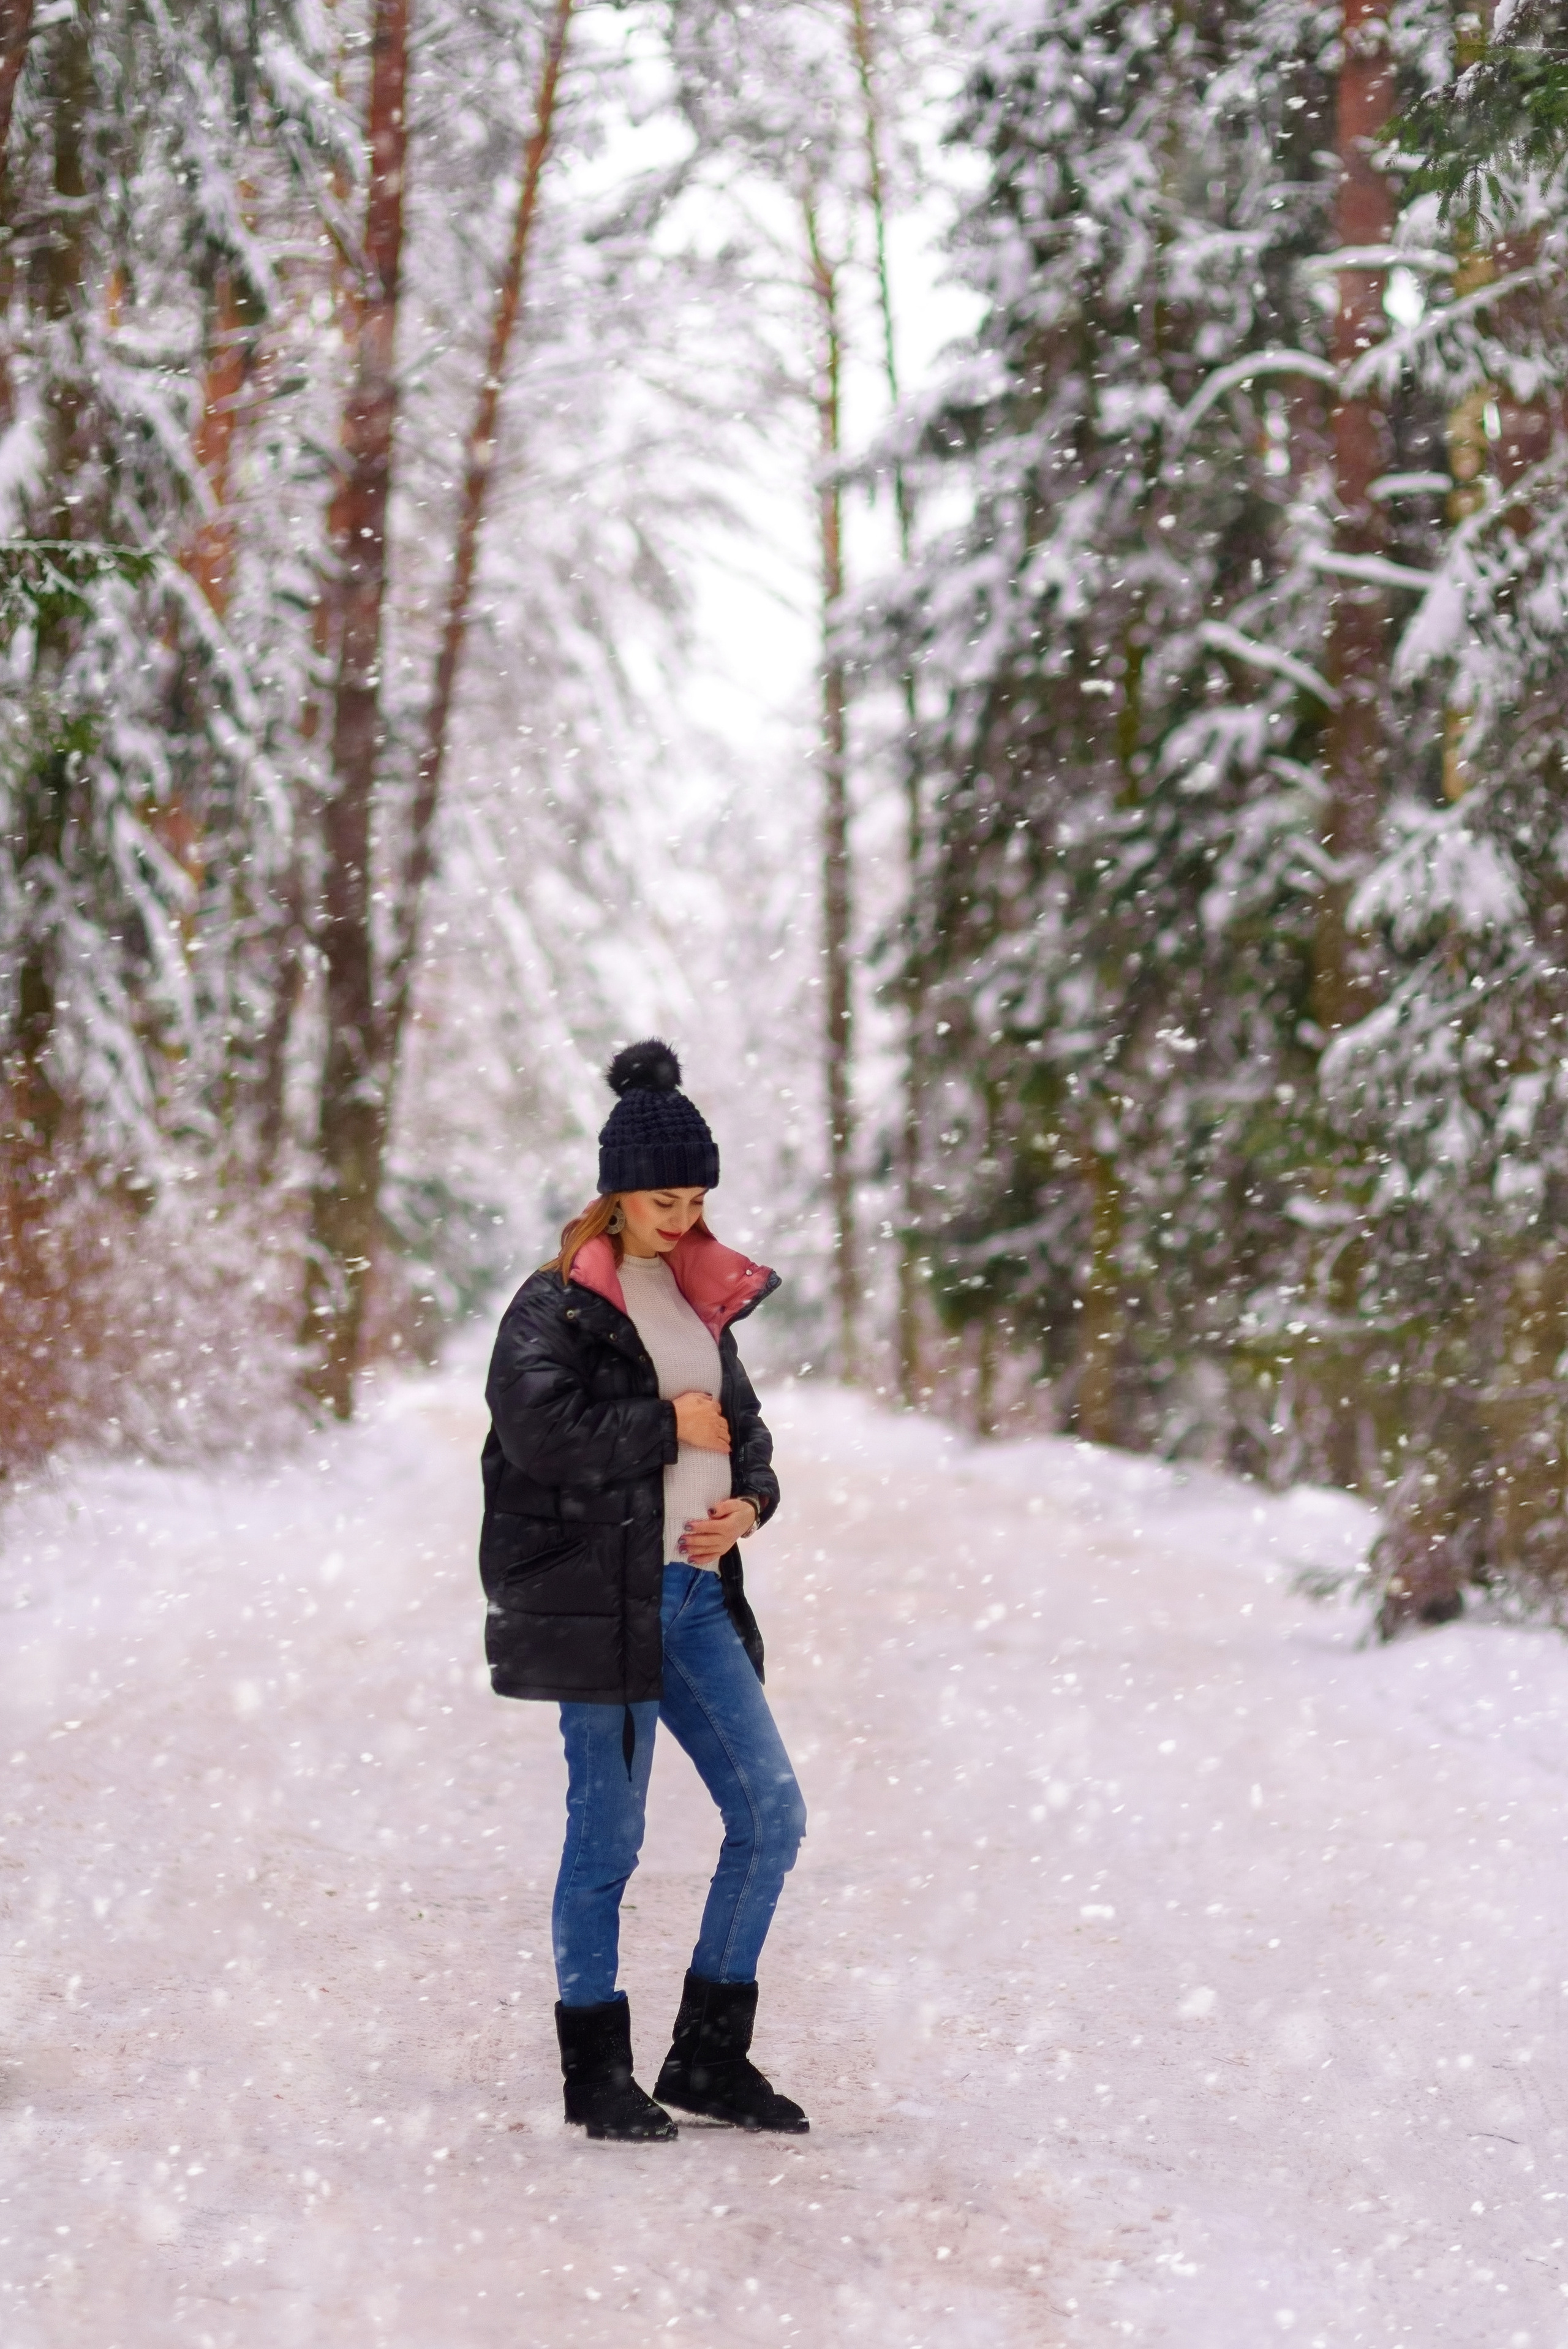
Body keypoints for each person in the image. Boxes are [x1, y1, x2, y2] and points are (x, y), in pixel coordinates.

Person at [480, 1038, 809, 2141]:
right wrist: (667, 1425)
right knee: (606, 1844)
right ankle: (597, 2072)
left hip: (696, 1598)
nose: (683, 1214)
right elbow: (539, 1432)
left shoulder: (697, 1294)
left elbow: (749, 1435)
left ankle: (708, 2058)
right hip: (604, 1607)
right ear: (617, 1192)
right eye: (666, 1197)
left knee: (770, 1816)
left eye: (699, 1196)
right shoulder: (556, 1307)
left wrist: (747, 1506)